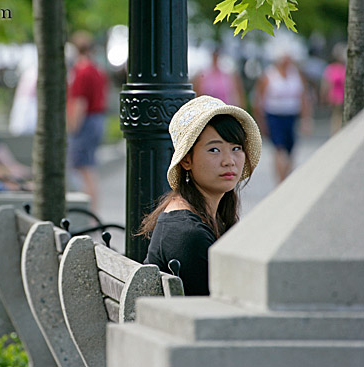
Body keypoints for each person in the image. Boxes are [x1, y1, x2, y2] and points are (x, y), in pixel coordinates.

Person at [140, 96, 262, 296]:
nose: (229, 161)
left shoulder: (193, 213)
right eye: (214, 149)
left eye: (236, 148)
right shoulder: (188, 234)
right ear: (187, 160)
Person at [254, 52, 312, 183]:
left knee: (290, 148)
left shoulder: (296, 75)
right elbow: (259, 99)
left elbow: (303, 97)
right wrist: (261, 121)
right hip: (274, 115)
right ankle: (280, 180)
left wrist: (306, 119)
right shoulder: (269, 75)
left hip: (291, 114)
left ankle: (286, 177)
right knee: (279, 148)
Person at [67, 31, 108, 211]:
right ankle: (92, 210)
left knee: (84, 169)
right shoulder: (97, 69)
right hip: (97, 119)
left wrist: (72, 126)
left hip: (86, 122)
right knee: (88, 167)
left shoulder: (82, 71)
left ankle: (89, 211)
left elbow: (79, 102)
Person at [321, 42, 346, 136]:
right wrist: (324, 96)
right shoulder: (331, 68)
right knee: (337, 115)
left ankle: (338, 131)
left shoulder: (344, 68)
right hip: (335, 96)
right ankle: (336, 132)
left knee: (339, 115)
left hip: (342, 95)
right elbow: (327, 83)